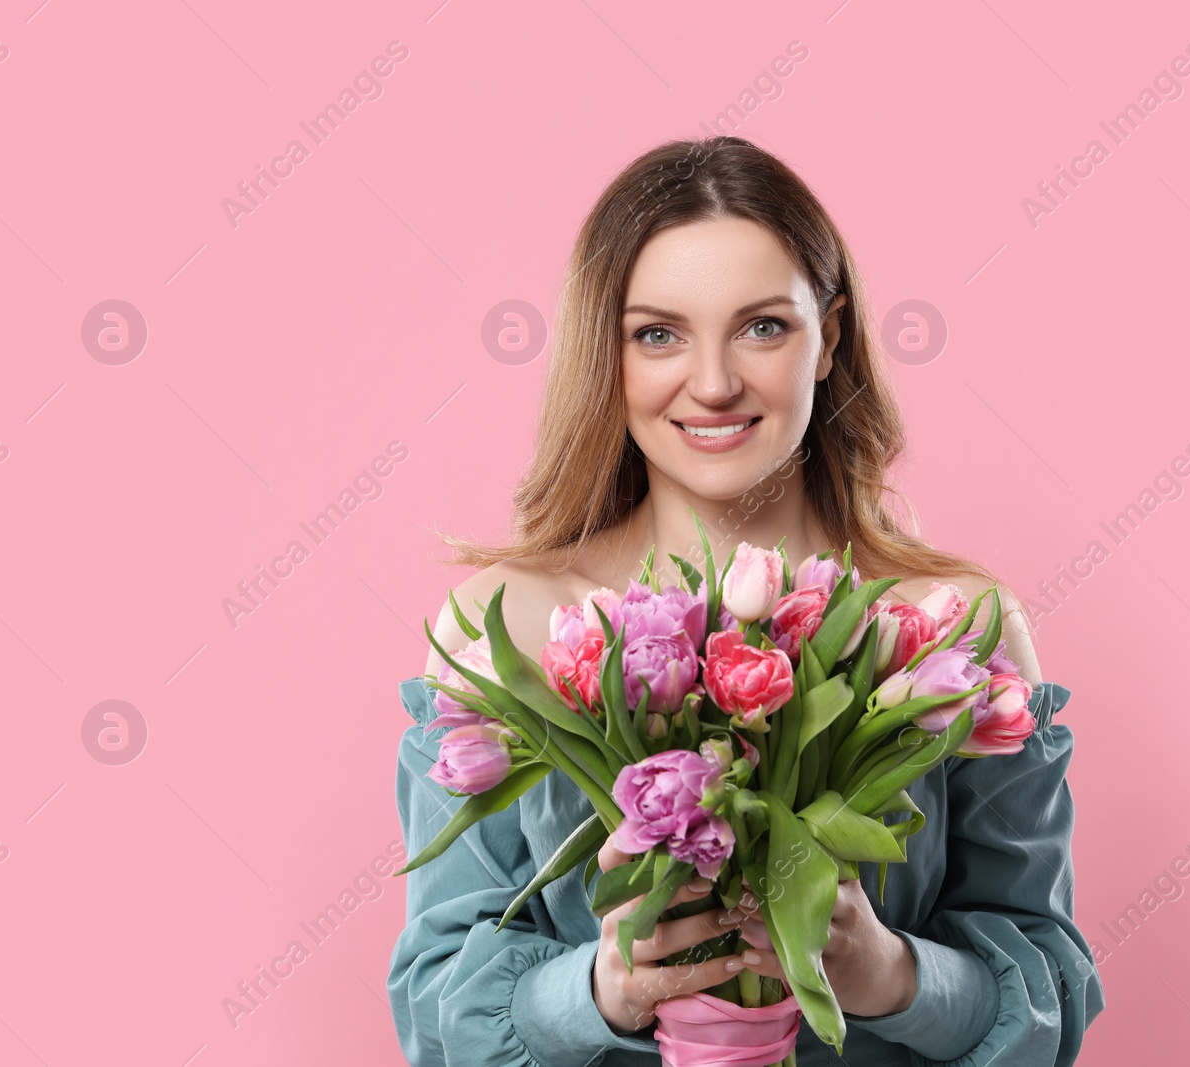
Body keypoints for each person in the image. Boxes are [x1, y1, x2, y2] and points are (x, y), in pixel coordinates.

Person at [387, 135, 1105, 1065]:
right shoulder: (508, 630)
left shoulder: (950, 628)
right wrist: (600, 990)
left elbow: (1050, 991)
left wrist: (889, 973)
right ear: (607, 356)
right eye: (658, 334)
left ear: (829, 337)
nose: (716, 381)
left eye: (763, 325)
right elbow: (432, 1007)